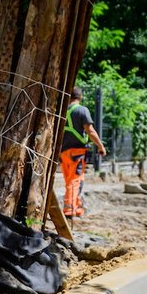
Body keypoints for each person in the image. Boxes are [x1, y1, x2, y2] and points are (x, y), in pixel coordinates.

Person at [59, 86, 106, 218]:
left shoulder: (62, 111)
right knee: (75, 181)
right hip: (77, 153)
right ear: (81, 97)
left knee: (70, 181)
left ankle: (77, 207)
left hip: (63, 153)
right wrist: (101, 146)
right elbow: (90, 131)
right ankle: (70, 210)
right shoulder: (82, 110)